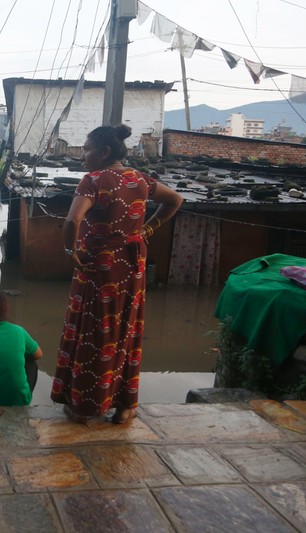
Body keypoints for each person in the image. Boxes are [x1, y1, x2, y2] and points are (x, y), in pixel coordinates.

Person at [51, 124, 183, 424]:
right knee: (127, 328)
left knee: (95, 331)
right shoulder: (140, 179)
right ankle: (125, 406)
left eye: (86, 149)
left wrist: (71, 252)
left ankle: (85, 405)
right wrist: (149, 227)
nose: (83, 156)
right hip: (132, 264)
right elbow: (175, 200)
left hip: (100, 265)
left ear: (104, 151)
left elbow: (72, 220)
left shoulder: (94, 180)